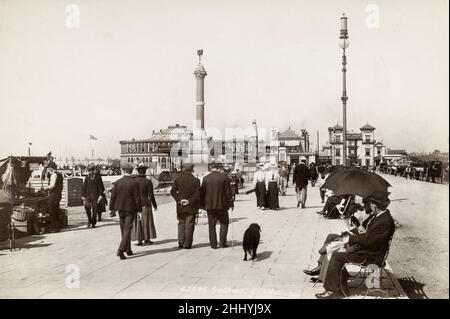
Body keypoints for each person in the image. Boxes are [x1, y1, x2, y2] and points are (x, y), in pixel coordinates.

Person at [312, 192, 395, 299]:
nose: (368, 206)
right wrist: (354, 230)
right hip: (365, 247)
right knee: (332, 236)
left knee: (335, 255)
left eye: (369, 204)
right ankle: (323, 267)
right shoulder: (378, 216)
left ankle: (333, 290)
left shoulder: (384, 221)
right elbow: (365, 232)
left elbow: (369, 241)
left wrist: (350, 239)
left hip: (370, 255)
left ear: (374, 205)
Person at [109, 165, 142, 260]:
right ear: (131, 172)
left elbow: (113, 197)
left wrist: (112, 209)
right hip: (130, 209)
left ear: (123, 171)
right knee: (128, 230)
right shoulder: (134, 183)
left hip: (120, 209)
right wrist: (139, 210)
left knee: (123, 230)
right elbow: (137, 198)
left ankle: (128, 250)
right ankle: (121, 250)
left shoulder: (118, 183)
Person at [201, 161, 234, 249]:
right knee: (224, 223)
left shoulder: (205, 178)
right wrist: (231, 203)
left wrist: (202, 205)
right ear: (218, 168)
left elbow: (202, 193)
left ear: (210, 168)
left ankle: (213, 244)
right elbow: (228, 192)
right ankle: (222, 243)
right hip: (222, 205)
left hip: (210, 206)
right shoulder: (224, 177)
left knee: (211, 226)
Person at [171, 163, 201, 249]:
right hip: (191, 206)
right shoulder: (196, 181)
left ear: (184, 169)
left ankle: (180, 242)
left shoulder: (178, 179)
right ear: (192, 170)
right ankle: (187, 244)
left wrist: (179, 200)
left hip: (181, 206)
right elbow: (197, 194)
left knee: (181, 223)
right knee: (190, 224)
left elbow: (173, 192)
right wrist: (189, 201)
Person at [132, 164, 158, 246]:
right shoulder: (148, 181)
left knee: (138, 221)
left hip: (136, 204)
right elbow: (151, 195)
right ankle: (147, 239)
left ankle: (139, 240)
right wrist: (155, 205)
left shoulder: (134, 181)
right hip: (146, 203)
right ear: (145, 172)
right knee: (146, 221)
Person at [47, 162, 63, 233]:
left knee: (52, 210)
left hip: (53, 194)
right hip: (58, 194)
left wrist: (46, 188)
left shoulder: (54, 175)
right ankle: (57, 227)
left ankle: (53, 227)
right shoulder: (60, 174)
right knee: (56, 210)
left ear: (51, 168)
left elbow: (52, 185)